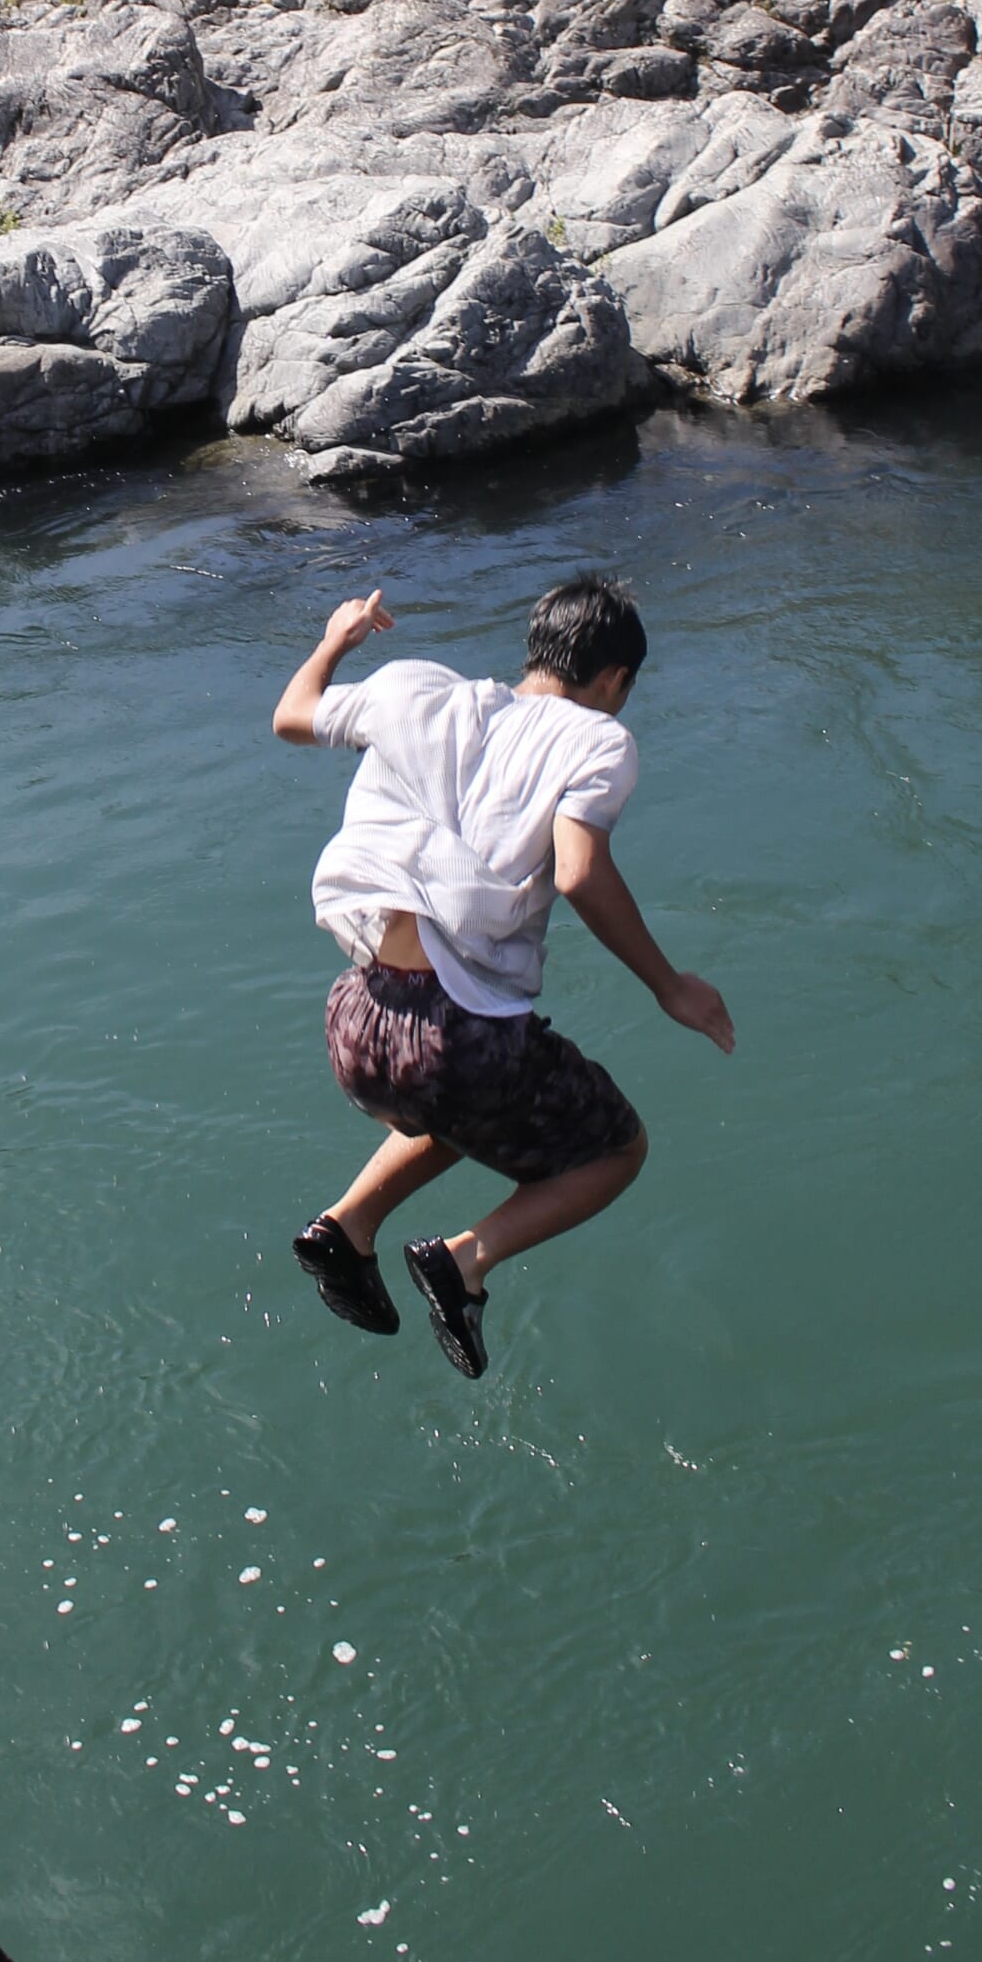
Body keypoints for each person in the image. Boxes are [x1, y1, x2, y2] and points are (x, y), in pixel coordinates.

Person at [271, 576, 734, 1378]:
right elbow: (583, 874)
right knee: (615, 1151)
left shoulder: (416, 688)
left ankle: (346, 1228)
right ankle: (465, 1262)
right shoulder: (598, 742)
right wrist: (671, 986)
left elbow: (292, 718)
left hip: (357, 1019)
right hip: (459, 1041)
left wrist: (337, 640)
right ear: (615, 681)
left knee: (472, 1108)